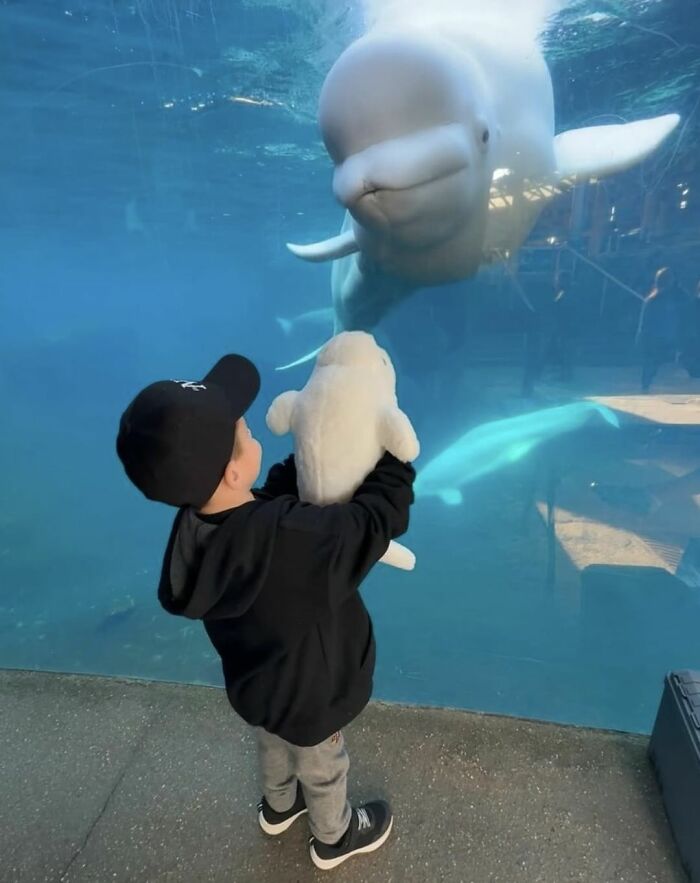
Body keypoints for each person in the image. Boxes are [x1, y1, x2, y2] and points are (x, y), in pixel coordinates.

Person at [115, 354, 416, 871]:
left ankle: (279, 807)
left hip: (255, 685)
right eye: (247, 430)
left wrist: (297, 468)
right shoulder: (291, 542)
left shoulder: (195, 529)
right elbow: (366, 527)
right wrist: (393, 466)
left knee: (274, 747)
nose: (255, 436)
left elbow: (258, 509)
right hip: (310, 694)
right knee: (322, 764)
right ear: (233, 469)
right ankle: (334, 836)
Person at [636, 266, 687, 392]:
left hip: (660, 337)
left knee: (652, 364)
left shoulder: (660, 299)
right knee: (653, 363)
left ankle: (647, 385)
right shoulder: (657, 300)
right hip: (658, 337)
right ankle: (647, 385)